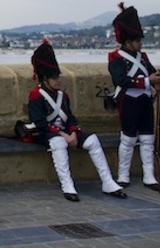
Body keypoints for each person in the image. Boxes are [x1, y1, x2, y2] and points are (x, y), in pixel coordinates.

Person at [28, 39, 126, 202]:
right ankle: (67, 185)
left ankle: (108, 182)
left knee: (93, 140)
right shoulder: (36, 96)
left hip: (65, 133)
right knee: (59, 143)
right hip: (46, 134)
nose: (58, 80)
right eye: (54, 78)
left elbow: (70, 117)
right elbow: (40, 124)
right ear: (45, 79)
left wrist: (73, 132)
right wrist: (63, 135)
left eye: (58, 76)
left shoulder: (62, 95)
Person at [107, 3, 160, 190]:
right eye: (137, 40)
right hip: (129, 101)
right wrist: (148, 81)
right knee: (129, 139)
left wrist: (158, 82)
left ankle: (149, 176)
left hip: (144, 101)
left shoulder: (143, 57)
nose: (140, 43)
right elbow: (121, 81)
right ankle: (123, 175)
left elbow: (151, 74)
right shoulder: (115, 58)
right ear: (127, 41)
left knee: (148, 139)